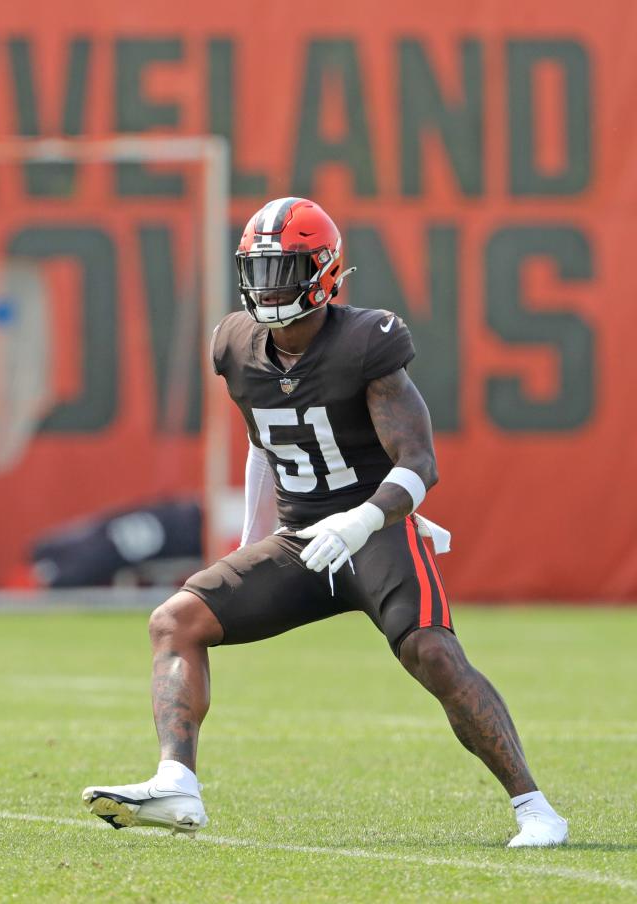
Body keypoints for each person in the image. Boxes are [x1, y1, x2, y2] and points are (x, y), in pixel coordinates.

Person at [82, 197, 567, 848]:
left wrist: (363, 522)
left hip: (376, 535)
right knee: (176, 620)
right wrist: (251, 548)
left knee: (432, 651)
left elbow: (420, 462)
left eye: (285, 270)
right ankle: (177, 783)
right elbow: (265, 447)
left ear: (325, 272)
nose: (269, 287)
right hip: (299, 543)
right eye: (259, 271)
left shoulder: (368, 339)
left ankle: (535, 807)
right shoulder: (235, 345)